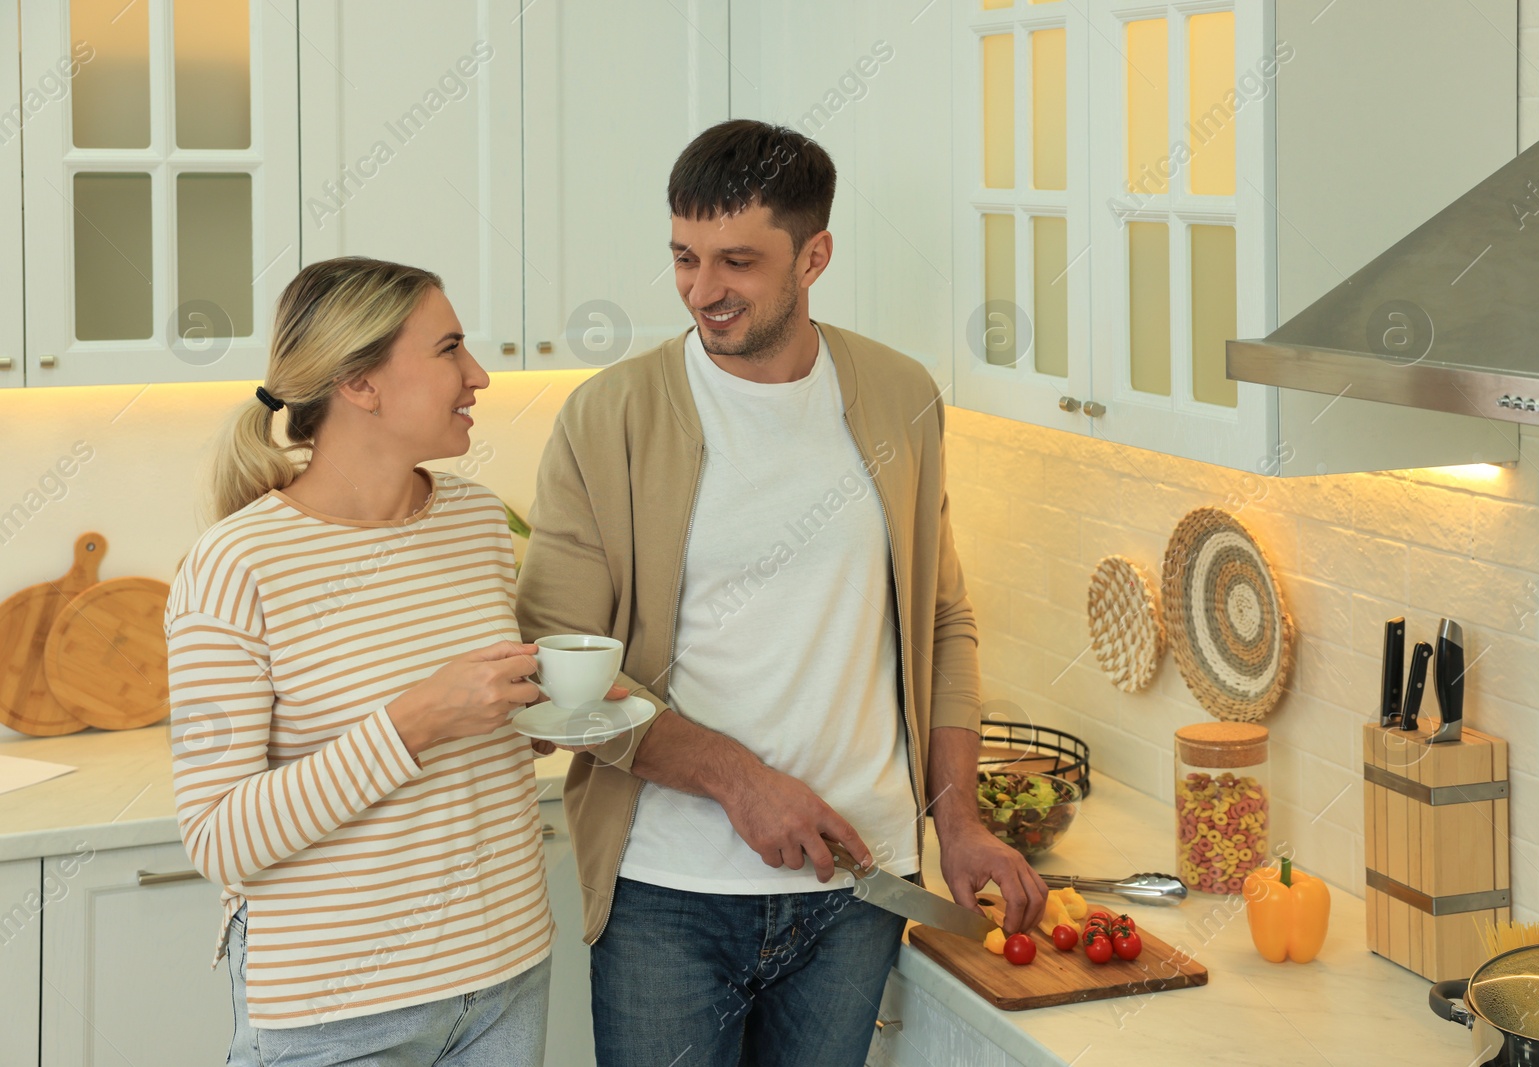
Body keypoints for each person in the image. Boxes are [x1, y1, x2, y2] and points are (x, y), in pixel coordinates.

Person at [515, 120, 1048, 1067]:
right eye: (684, 257)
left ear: (815, 257)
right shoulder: (612, 417)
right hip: (667, 895)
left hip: (860, 889)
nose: (703, 290)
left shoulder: (899, 397)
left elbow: (942, 622)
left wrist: (956, 817)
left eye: (738, 262)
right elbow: (558, 672)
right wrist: (737, 780)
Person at [167, 257, 619, 1066]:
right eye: (449, 348)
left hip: (505, 973)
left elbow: (478, 739)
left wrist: (542, 712)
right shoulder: (236, 564)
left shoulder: (474, 519)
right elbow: (218, 836)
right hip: (336, 1006)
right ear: (360, 383)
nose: (478, 374)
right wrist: (417, 718)